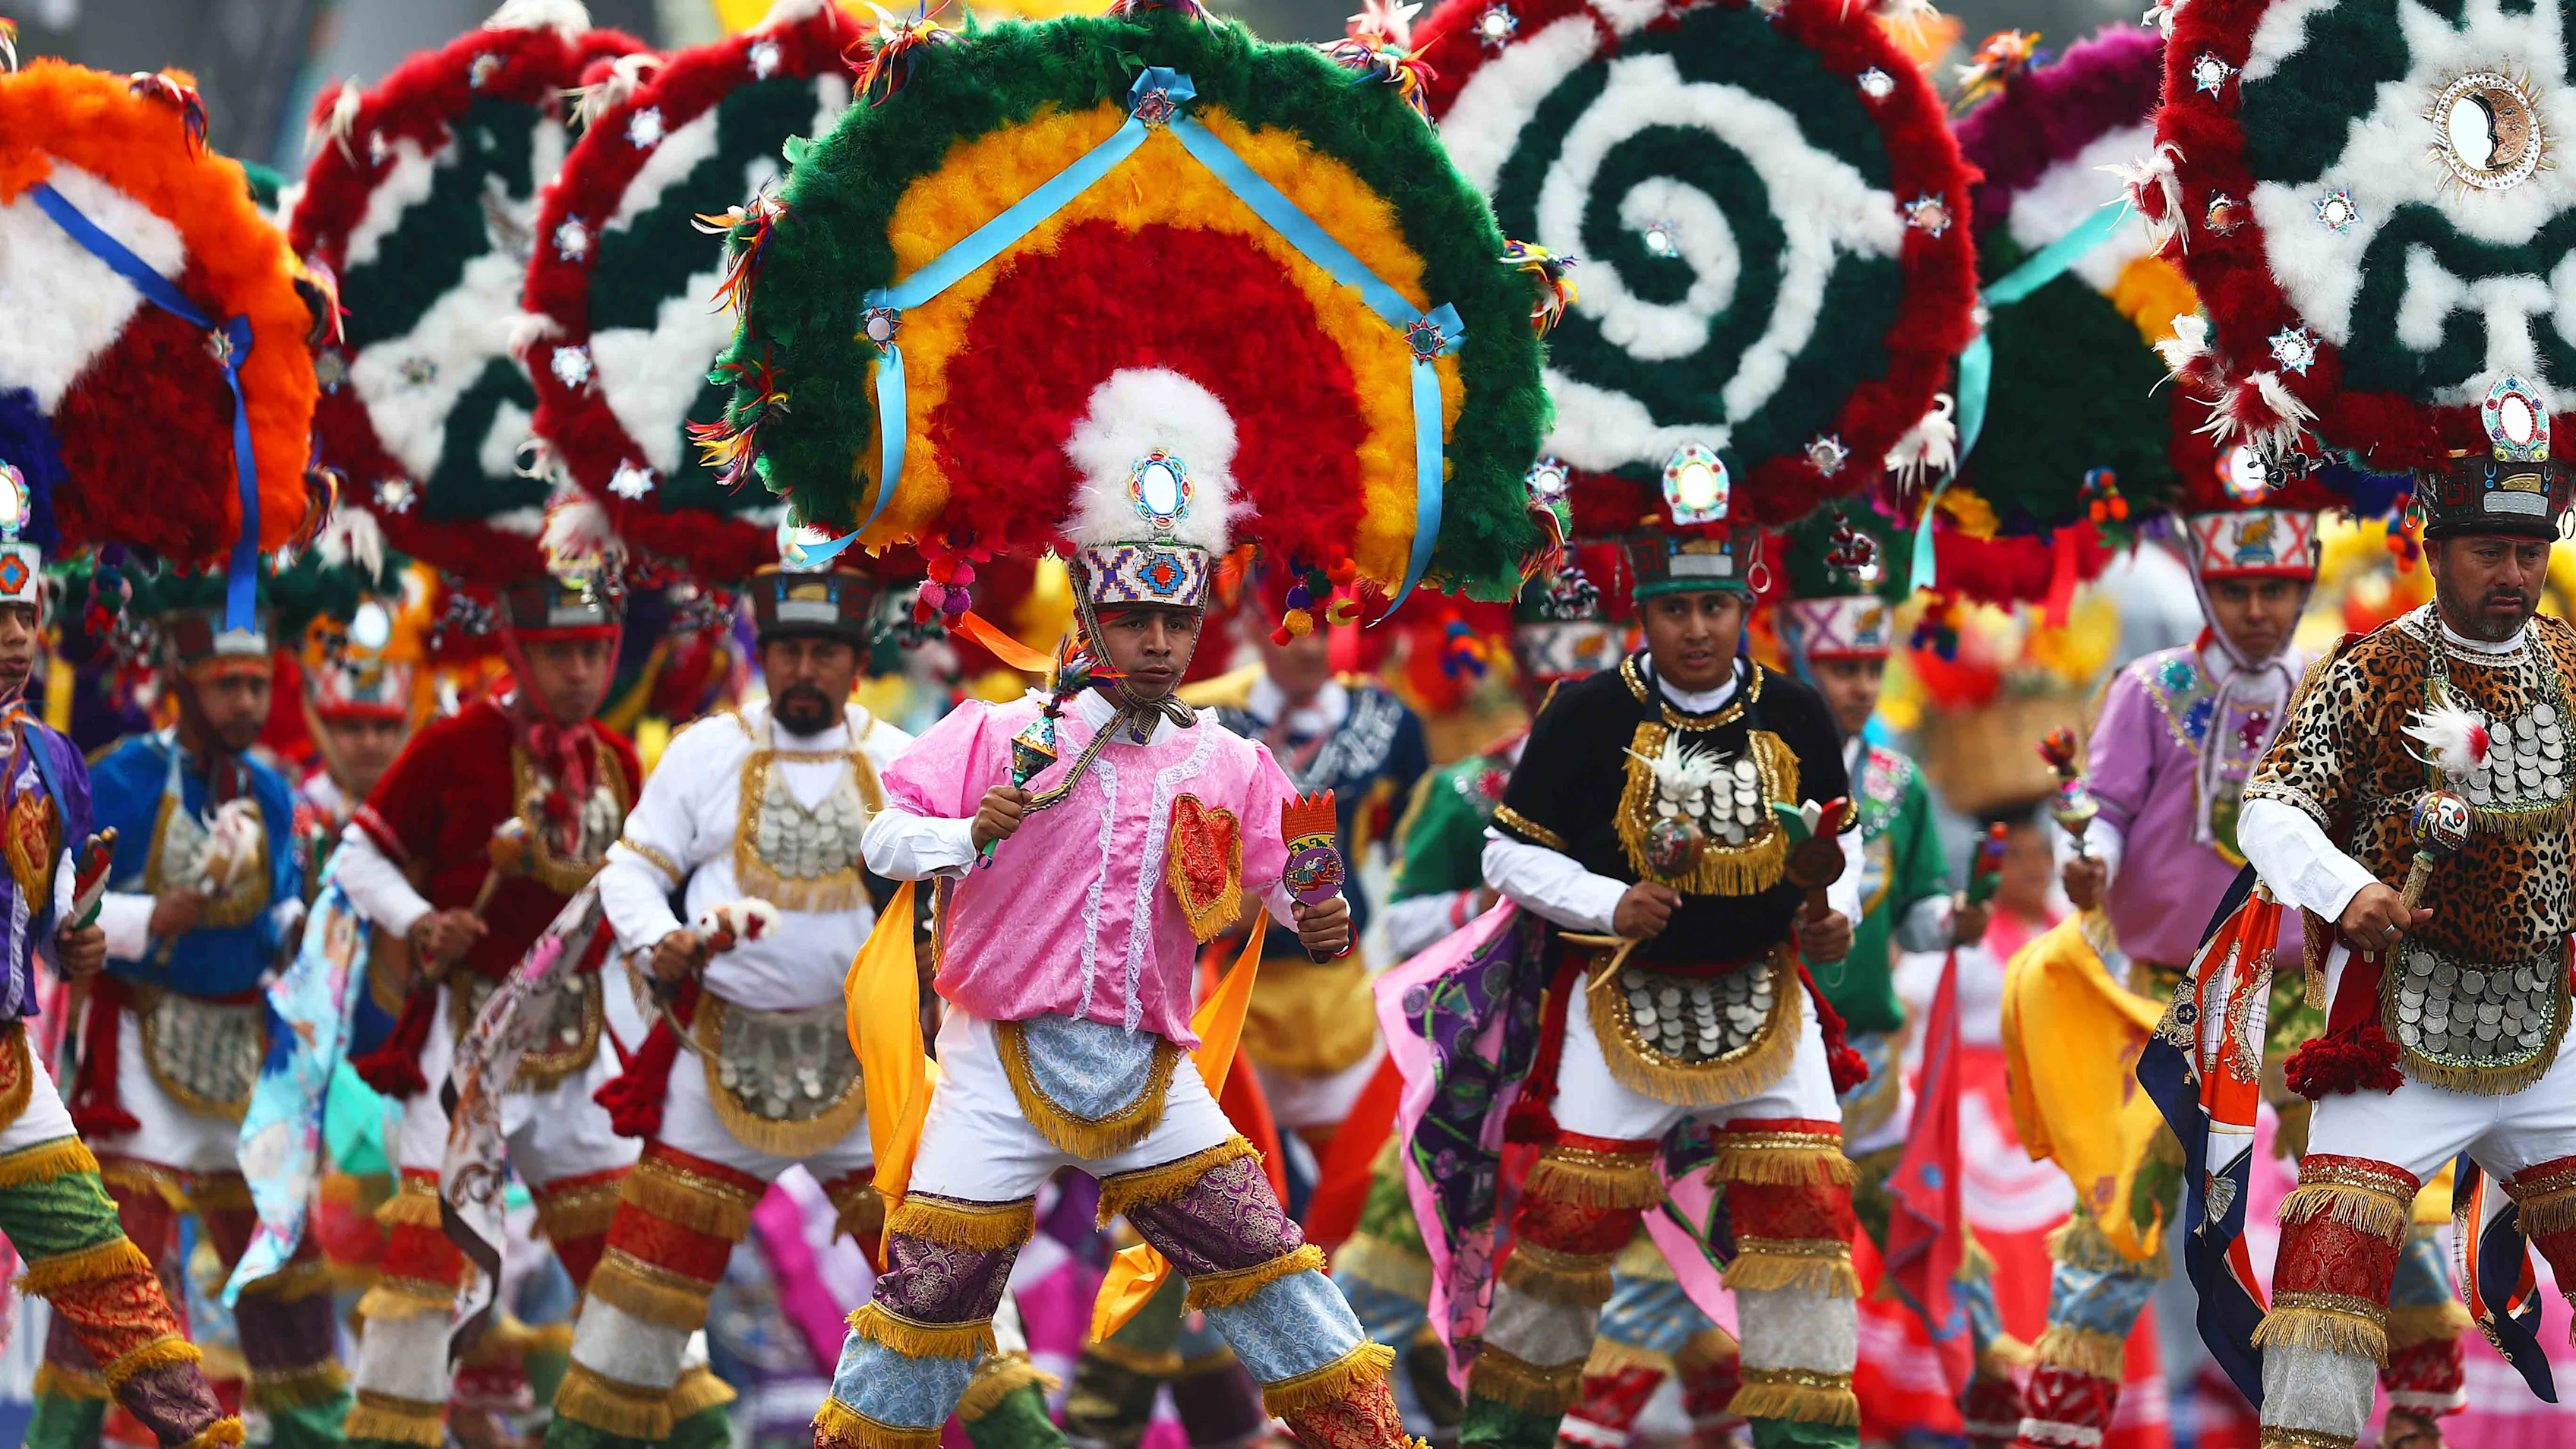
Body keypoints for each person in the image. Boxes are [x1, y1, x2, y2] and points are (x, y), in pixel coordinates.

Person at [821, 379, 1415, 1449]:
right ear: (1090, 613)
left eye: (1175, 619)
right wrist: (966, 836)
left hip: (1150, 1069)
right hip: (996, 1068)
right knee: (922, 1309)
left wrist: (1314, 917)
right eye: (1133, 618)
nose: (1155, 642)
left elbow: (1291, 879)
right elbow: (879, 837)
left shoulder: (1230, 760)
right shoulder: (997, 735)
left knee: (1272, 1269)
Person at [2013, 473, 2464, 1449]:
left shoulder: (2335, 678)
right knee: (2122, 1210)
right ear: (2202, 586)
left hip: (2303, 989)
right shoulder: (2149, 690)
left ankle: (2419, 1395)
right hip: (2167, 997)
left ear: (2302, 584)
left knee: (2364, 1182)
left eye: (2273, 589)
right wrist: (2086, 866)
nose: (2255, 612)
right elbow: (2101, 818)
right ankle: (2060, 1427)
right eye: (2233, 590)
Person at [1458, 512, 1864, 1449]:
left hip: (1765, 994)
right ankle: (1501, 1435)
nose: (1695, 629)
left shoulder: (1798, 712)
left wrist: (1833, 911)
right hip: (1618, 999)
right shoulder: (1586, 712)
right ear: (1642, 611)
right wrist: (1607, 905)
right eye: (1674, 608)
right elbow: (1505, 855)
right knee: (1566, 1225)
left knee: (1806, 1213)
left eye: (1714, 607)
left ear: (1745, 605)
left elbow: (1841, 849)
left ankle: (1812, 1441)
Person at [2231, 423, 2576, 1449]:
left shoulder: (2572, 662)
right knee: (2324, 1293)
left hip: (2548, 1028)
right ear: (2434, 549)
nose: (2514, 573)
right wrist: (2349, 891)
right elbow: (2269, 810)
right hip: (2393, 1039)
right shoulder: (2370, 669)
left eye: (2530, 551)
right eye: (2490, 552)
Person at [331, 560, 644, 1449]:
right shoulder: (453, 745)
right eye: (557, 655)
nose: (579, 674)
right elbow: (357, 858)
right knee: (428, 1263)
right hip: (465, 1048)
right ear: (516, 651)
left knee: (622, 1264)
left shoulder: (621, 763)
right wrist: (423, 919)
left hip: (581, 1043)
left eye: (593, 652)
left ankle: (641, 1429)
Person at [46, 579, 329, 1445]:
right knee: (114, 1278)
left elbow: (280, 900)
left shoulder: (276, 795)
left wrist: (298, 928)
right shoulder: (123, 781)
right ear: (183, 678)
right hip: (140, 1056)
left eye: (256, 684)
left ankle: (320, 1431)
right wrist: (140, 919)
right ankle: (56, 1438)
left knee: (289, 1275)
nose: (245, 702)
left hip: (243, 1062)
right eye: (225, 685)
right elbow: (53, 899)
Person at [1777, 510, 2025, 1447]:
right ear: (1801, 656)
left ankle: (1993, 1382)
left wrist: (1952, 920)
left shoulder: (1894, 782)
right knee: (1769, 1251)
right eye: (1840, 667)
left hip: (1865, 1059)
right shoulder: (1755, 770)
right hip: (1757, 1043)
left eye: (1869, 669)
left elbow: (1915, 904)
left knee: (1915, 1230)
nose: (1855, 685)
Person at [0, 513, 248, 1449]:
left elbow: (59, 913)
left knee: (117, 1283)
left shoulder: (53, 761)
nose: (19, 638)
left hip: (10, 1071)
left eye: (25, 612)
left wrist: (78, 941)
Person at [1201, 591, 1428, 1157]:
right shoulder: (1201, 722)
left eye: (1332, 626)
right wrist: (1236, 909)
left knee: (1355, 1190)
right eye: (1295, 627)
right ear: (1250, 623)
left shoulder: (1388, 719)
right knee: (1229, 1207)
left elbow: (1411, 852)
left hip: (1340, 998)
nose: (1315, 648)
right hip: (1223, 991)